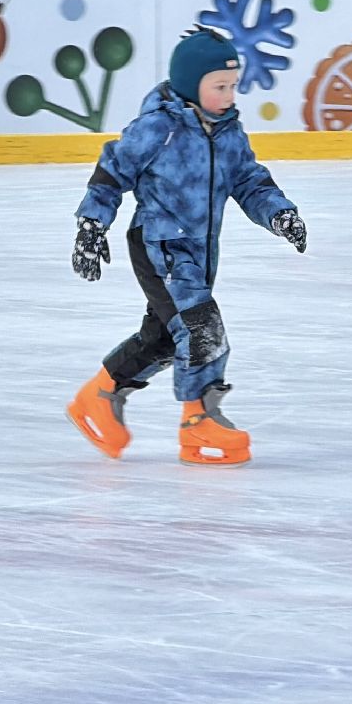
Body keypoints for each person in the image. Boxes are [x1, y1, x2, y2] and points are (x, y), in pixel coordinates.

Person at [65, 26, 306, 466]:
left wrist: (279, 214)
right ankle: (198, 420)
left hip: (198, 251)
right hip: (160, 245)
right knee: (201, 328)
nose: (229, 96)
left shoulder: (229, 134)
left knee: (163, 338)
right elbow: (111, 173)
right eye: (219, 86)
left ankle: (98, 397)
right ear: (191, 85)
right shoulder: (159, 128)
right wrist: (91, 225)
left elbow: (251, 183)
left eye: (233, 85)